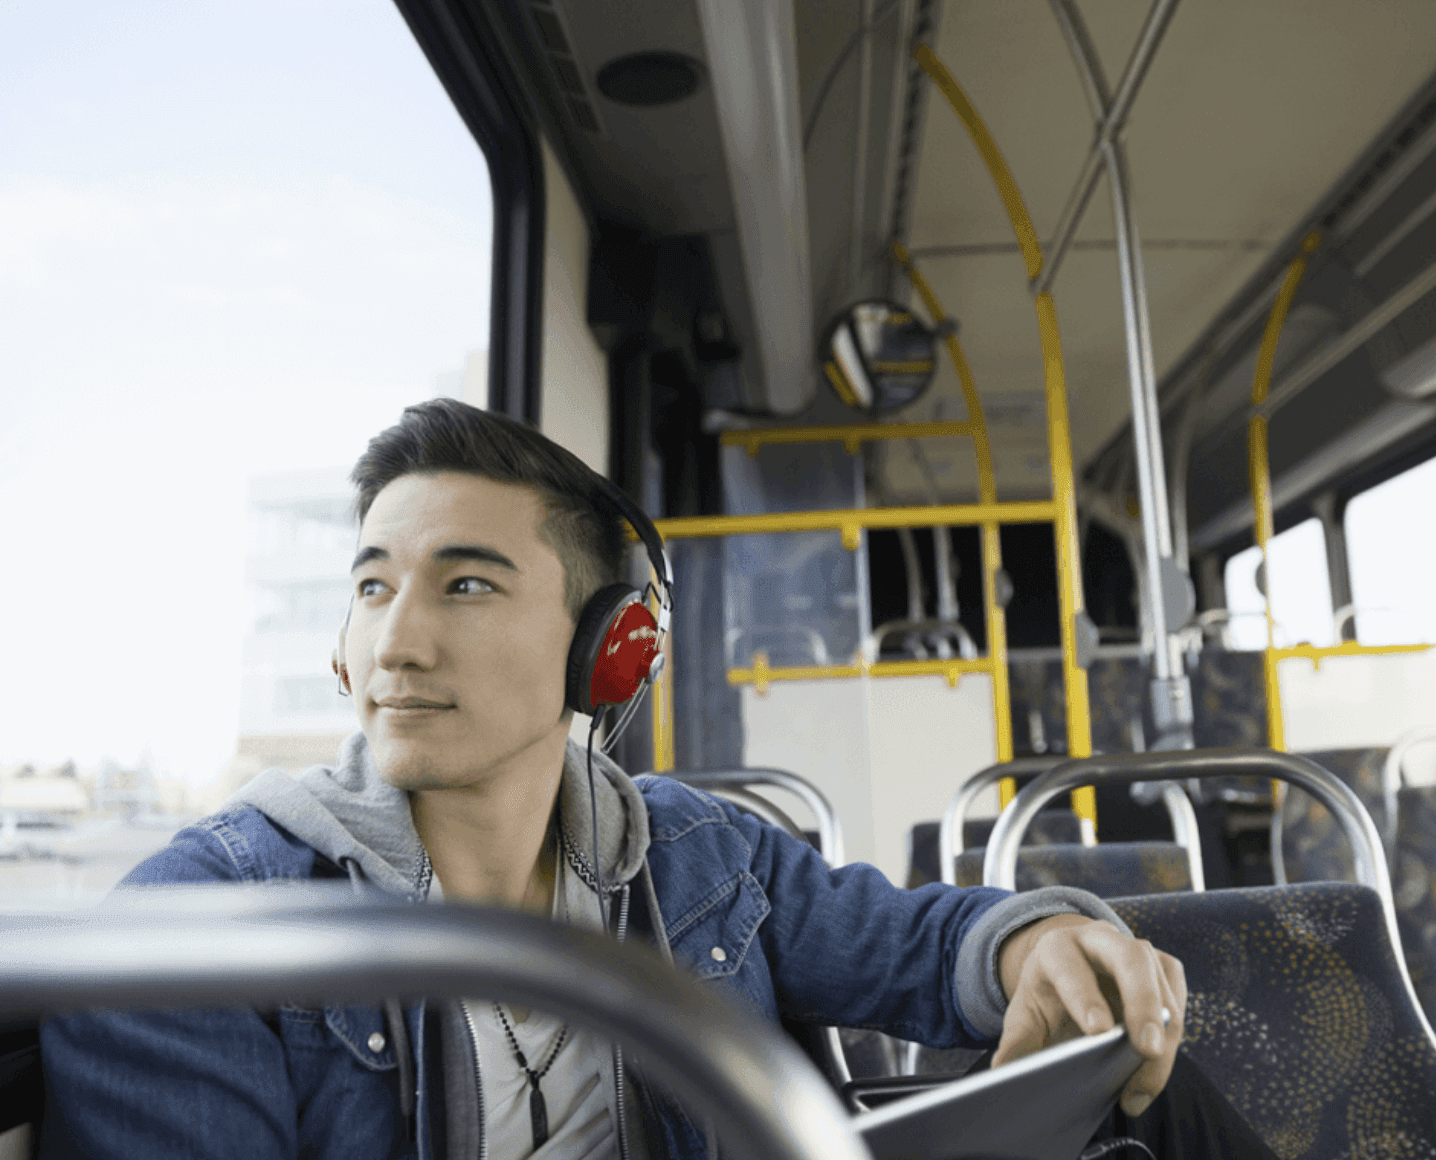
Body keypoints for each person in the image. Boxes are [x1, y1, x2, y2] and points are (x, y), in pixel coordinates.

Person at [39, 399, 1244, 1160]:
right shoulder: (195, 934)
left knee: (1147, 1079)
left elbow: (919, 945)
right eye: (370, 586)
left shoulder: (698, 854)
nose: (394, 642)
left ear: (606, 647)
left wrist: (1029, 943)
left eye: (464, 584)